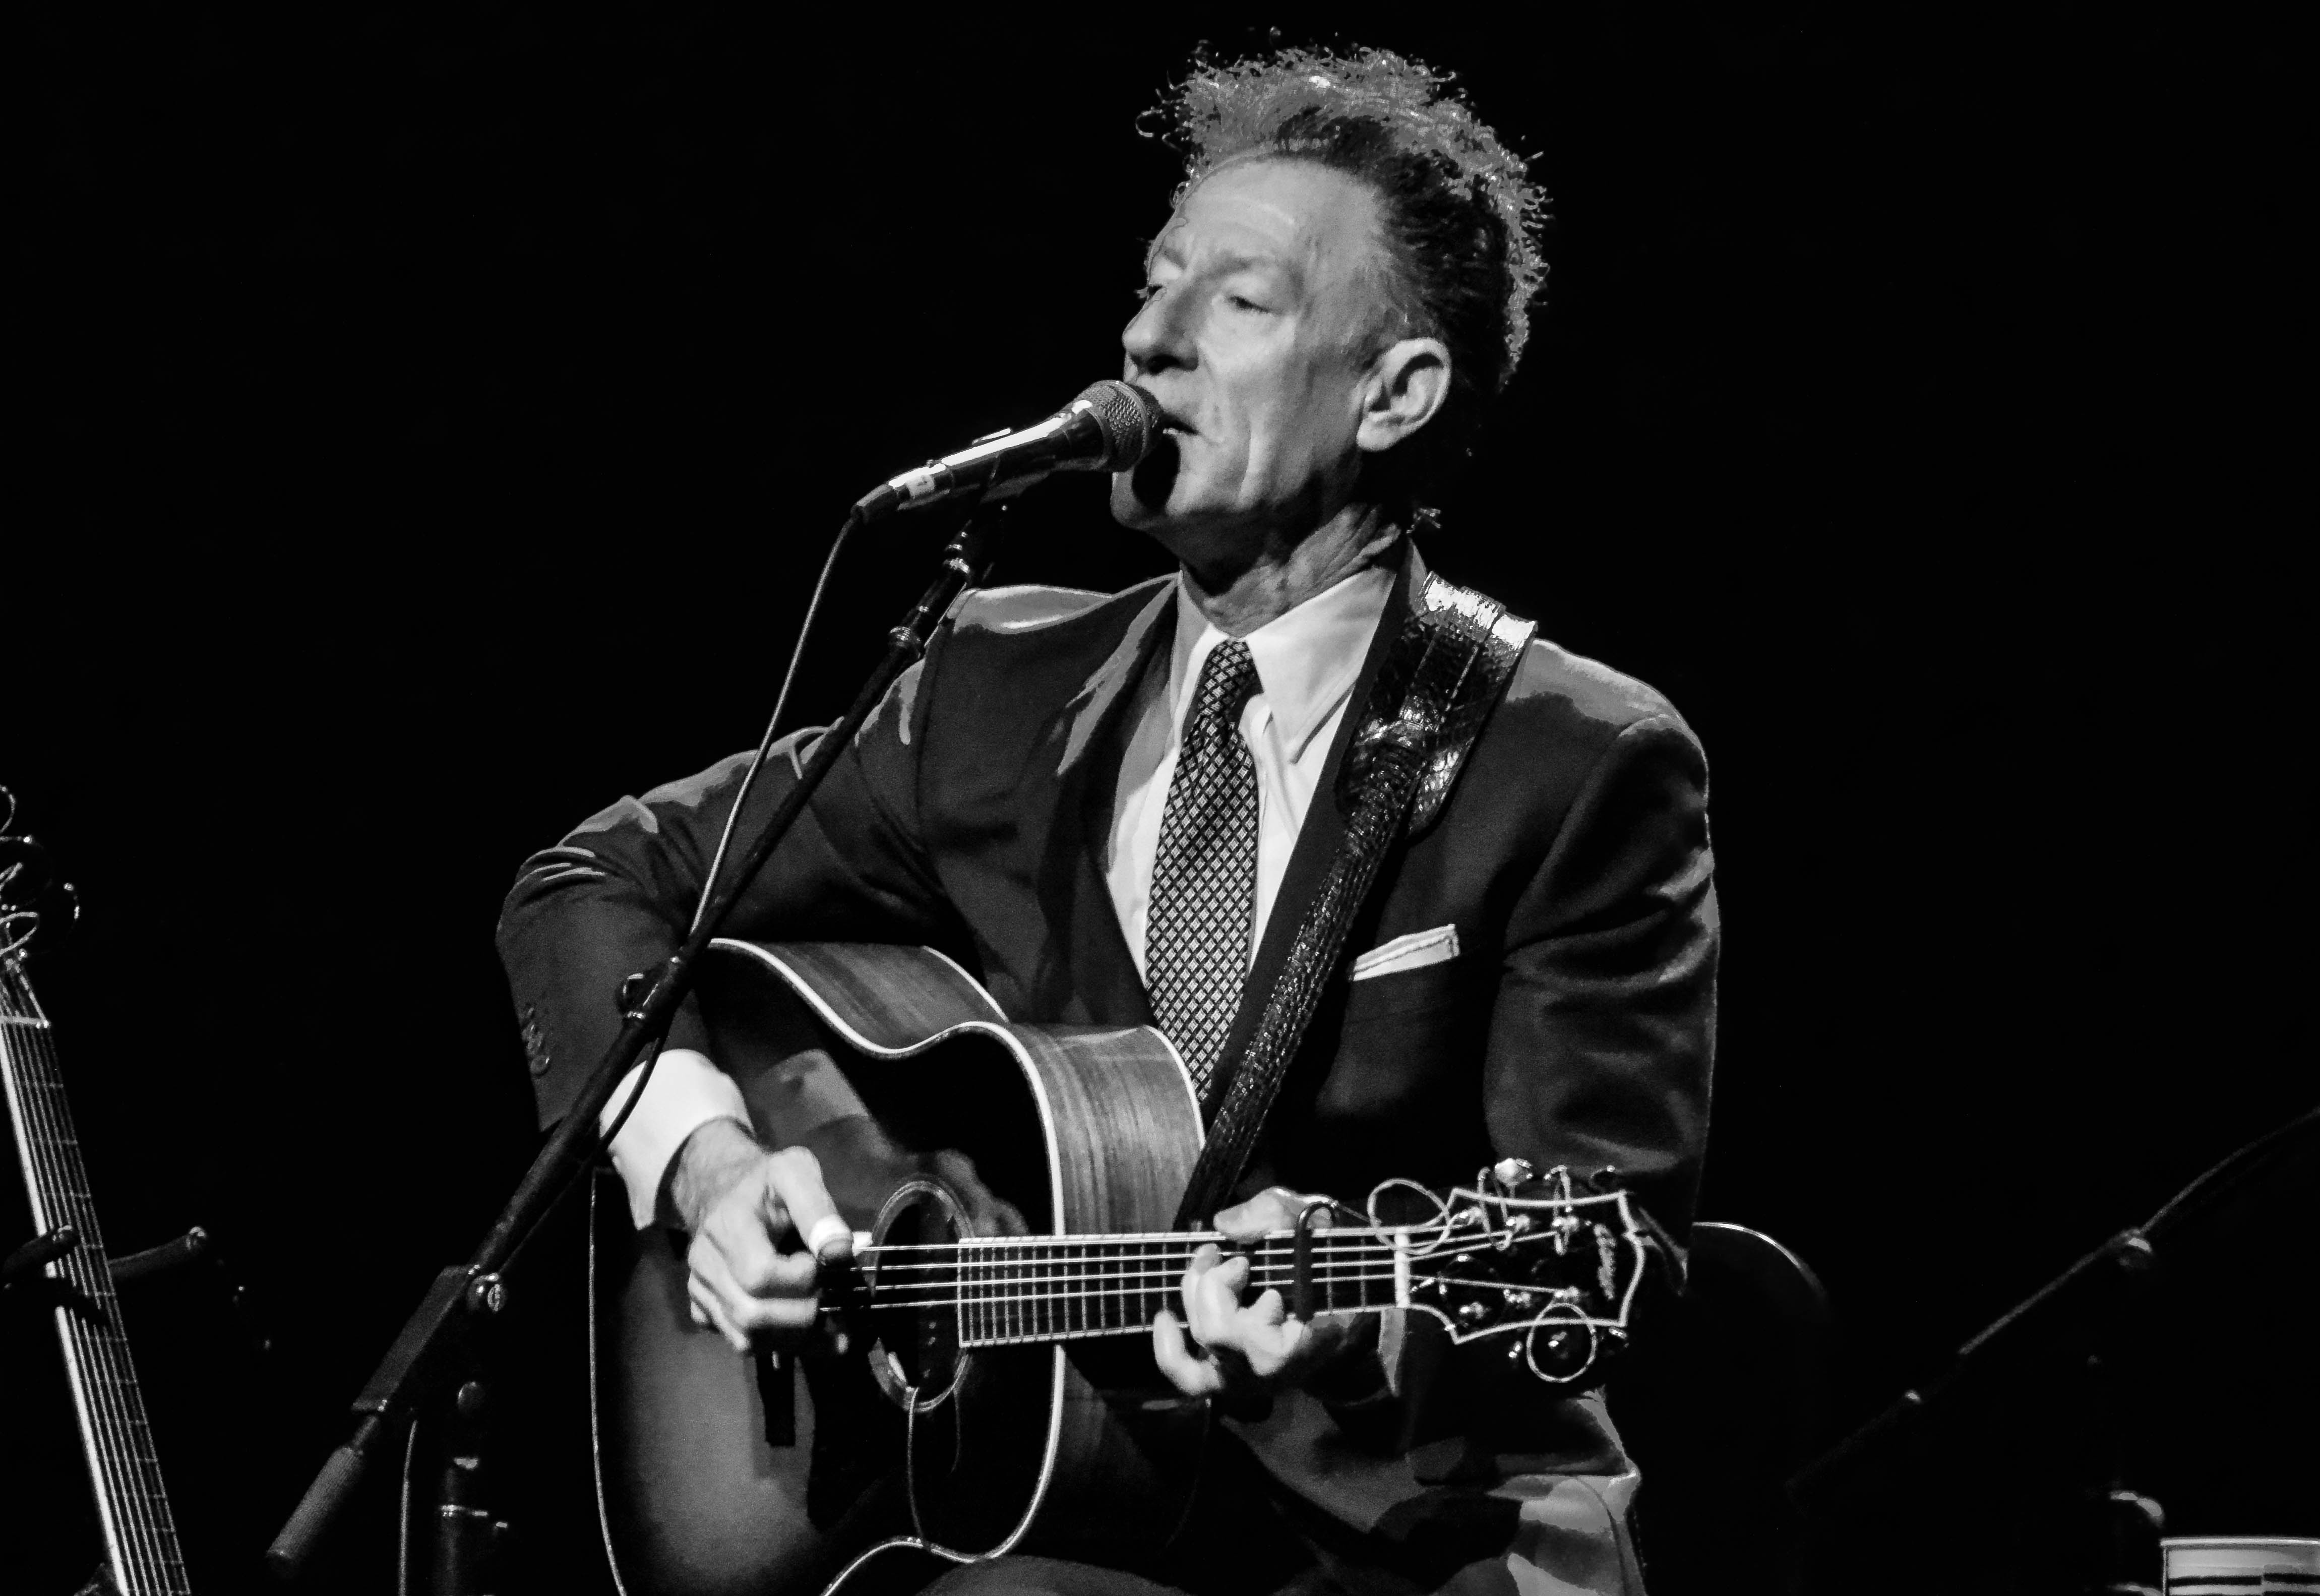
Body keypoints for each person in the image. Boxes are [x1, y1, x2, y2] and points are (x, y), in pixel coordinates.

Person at [499, 45, 1716, 1596]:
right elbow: (592, 880)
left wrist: (1355, 1308)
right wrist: (714, 1167)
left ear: (1397, 393)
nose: (1148, 338)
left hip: (1408, 1525)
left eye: (1242, 304)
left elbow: (1614, 1249)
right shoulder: (995, 683)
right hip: (1051, 1492)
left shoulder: (1574, 758)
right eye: (1153, 286)